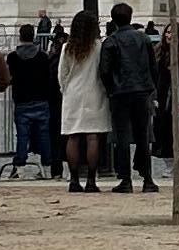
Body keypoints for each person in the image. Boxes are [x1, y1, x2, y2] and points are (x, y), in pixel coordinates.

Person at [98, 0, 160, 193]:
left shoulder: (111, 41)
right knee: (143, 135)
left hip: (120, 92)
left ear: (113, 20)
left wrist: (110, 89)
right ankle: (147, 178)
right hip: (141, 91)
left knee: (122, 136)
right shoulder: (144, 39)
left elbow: (105, 71)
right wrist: (150, 87)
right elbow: (152, 66)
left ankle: (126, 179)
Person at [57, 10, 111, 193]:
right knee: (92, 136)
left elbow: (62, 74)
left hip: (73, 93)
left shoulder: (67, 48)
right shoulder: (99, 46)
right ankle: (91, 180)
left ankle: (73, 180)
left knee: (72, 136)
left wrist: (65, 89)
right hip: (94, 92)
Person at [7, 18, 61, 178]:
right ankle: (47, 167)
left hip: (22, 100)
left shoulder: (12, 57)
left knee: (22, 135)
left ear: (20, 36)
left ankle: (20, 167)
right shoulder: (43, 57)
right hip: (41, 99)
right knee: (44, 134)